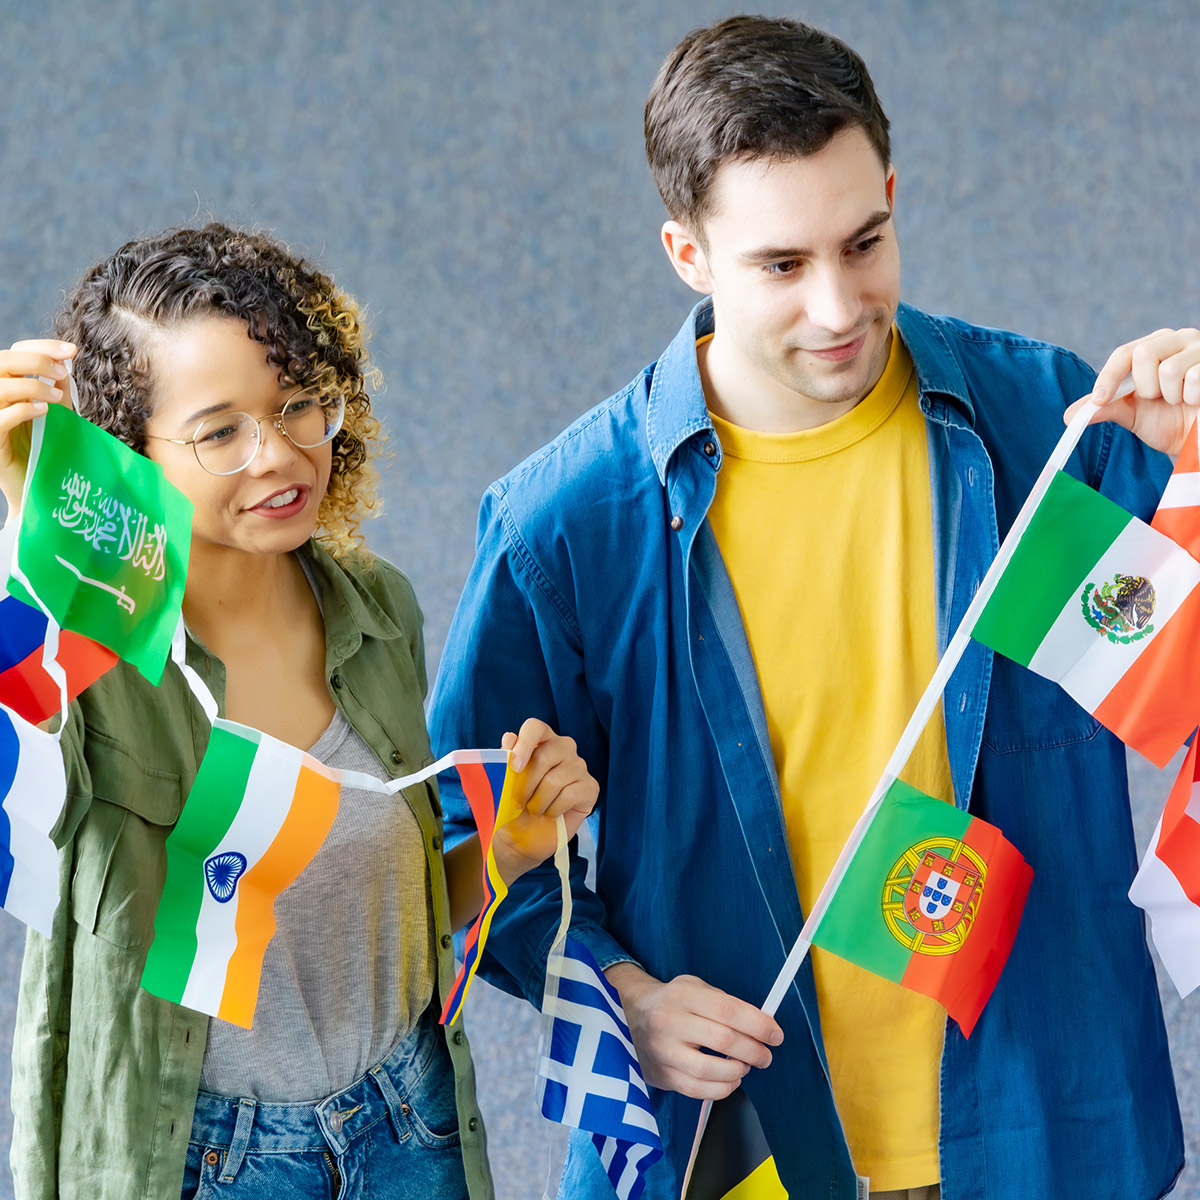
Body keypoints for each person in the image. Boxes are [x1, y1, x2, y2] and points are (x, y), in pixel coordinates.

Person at [427, 15, 1197, 1200]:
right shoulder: (564, 526)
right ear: (688, 253)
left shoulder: (1051, 425)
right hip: (748, 1144)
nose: (839, 307)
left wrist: (1195, 455)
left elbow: (1174, 665)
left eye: (867, 241)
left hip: (1043, 1122)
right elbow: (466, 846)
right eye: (782, 266)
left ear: (891, 192)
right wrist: (624, 995)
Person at [0, 223, 600, 1200]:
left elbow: (401, 922)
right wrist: (21, 523)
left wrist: (509, 847)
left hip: (408, 1117)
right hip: (209, 1154)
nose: (279, 456)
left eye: (298, 407)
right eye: (221, 430)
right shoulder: (88, 661)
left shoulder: (377, 611)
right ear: (124, 454)